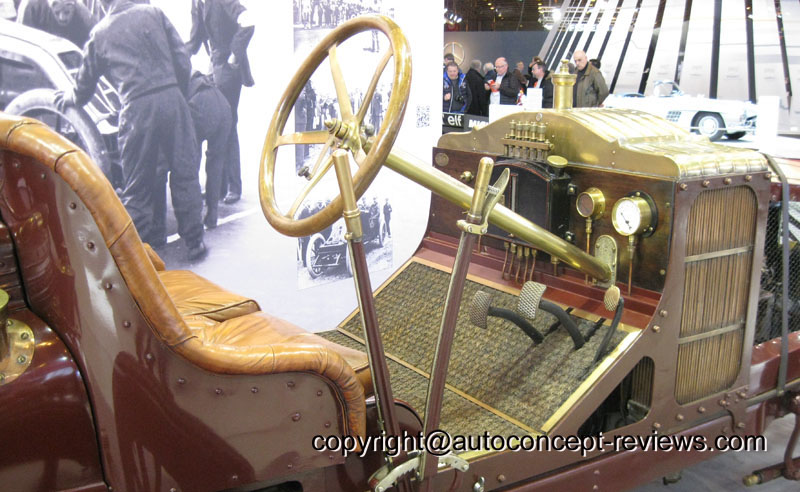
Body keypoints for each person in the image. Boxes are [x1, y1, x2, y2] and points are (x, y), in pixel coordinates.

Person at [56, 0, 207, 261]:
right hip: (172, 100)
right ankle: (194, 242)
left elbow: (84, 87)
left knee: (138, 185)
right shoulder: (154, 13)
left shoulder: (100, 33)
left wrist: (70, 97)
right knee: (185, 172)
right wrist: (176, 94)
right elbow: (182, 59)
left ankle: (140, 255)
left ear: (102, 5)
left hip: (136, 109)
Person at [187, 0, 255, 205]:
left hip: (228, 69)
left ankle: (233, 187)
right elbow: (196, 37)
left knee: (227, 123)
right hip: (215, 66)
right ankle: (219, 188)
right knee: (219, 124)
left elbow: (248, 21)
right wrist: (177, 54)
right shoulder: (197, 2)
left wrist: (235, 55)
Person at [17, 0, 96, 47]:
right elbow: (22, 43)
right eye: (57, 13)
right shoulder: (31, 6)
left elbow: (94, 42)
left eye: (67, 12)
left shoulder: (82, 12)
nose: (62, 18)